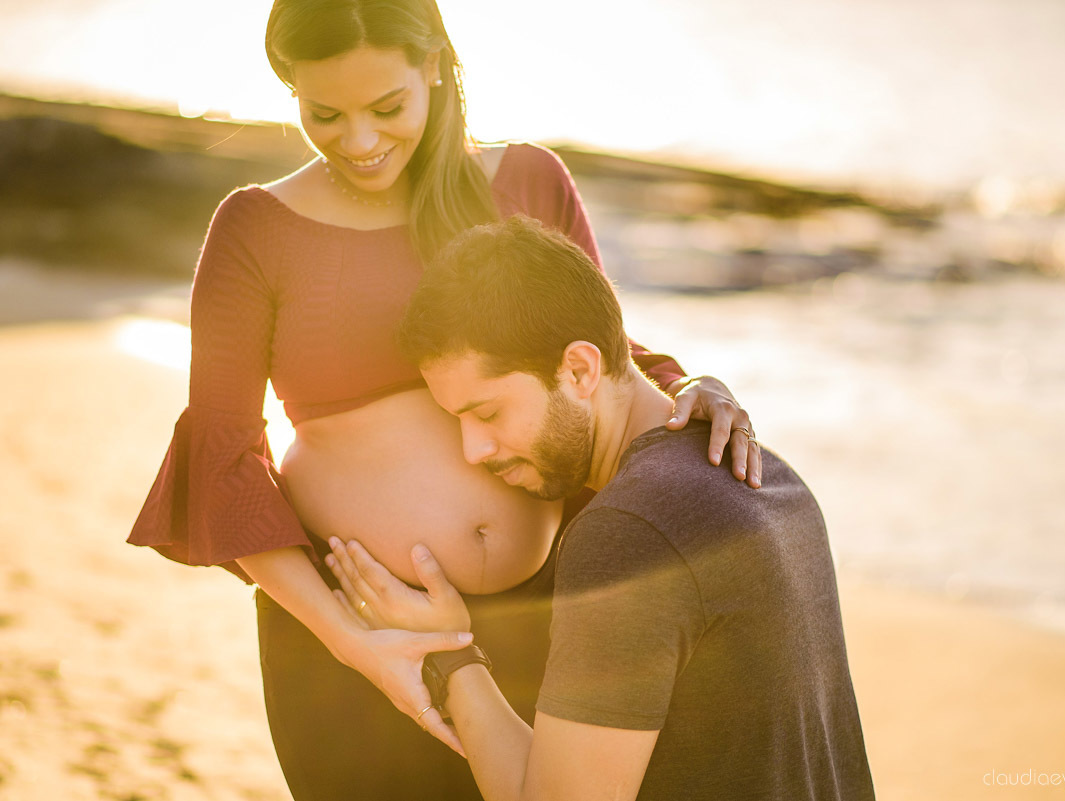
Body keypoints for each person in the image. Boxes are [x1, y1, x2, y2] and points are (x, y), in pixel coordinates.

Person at [127, 1, 758, 799]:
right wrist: (355, 641)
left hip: (554, 612)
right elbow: (224, 458)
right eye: (324, 114)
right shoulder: (256, 228)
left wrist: (690, 387)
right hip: (358, 628)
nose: (359, 140)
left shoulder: (528, 181)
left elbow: (600, 356)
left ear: (432, 65)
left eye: (386, 107)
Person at [329, 214, 875, 800]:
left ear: (580, 369)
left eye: (488, 413)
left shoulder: (629, 533)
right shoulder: (775, 480)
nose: (473, 449)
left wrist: (451, 652)